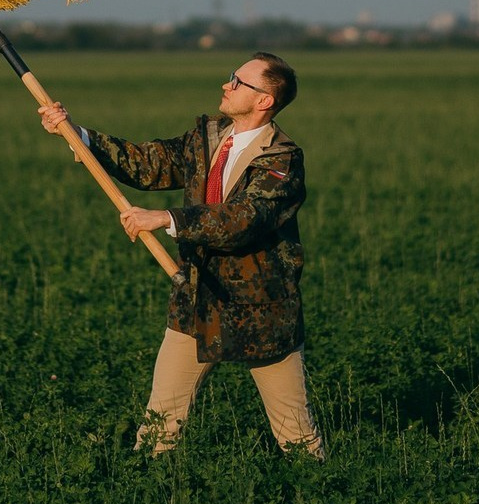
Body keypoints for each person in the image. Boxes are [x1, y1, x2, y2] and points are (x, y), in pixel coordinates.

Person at [39, 52, 323, 457]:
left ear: (264, 100)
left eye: (239, 81)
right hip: (196, 301)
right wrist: (77, 134)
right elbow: (147, 164)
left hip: (261, 309)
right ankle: (149, 486)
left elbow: (245, 219)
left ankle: (322, 487)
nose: (227, 84)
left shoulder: (282, 159)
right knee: (159, 425)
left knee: (296, 435)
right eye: (231, 77)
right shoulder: (206, 137)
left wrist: (168, 218)